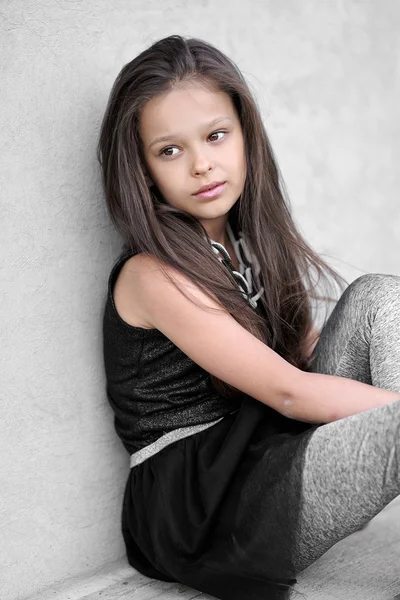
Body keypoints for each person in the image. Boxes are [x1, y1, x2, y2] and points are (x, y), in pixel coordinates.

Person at [97, 34, 400, 600]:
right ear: (141, 169)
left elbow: (303, 356)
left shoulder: (247, 239)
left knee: (378, 296)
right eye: (170, 151)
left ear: (244, 135)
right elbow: (289, 391)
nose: (201, 164)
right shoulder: (151, 275)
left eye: (215, 136)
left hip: (265, 438)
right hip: (201, 502)